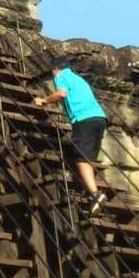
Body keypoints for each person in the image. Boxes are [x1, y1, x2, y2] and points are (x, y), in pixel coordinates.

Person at [33, 56, 108, 215]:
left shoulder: (61, 76)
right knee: (88, 158)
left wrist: (44, 101)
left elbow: (61, 94)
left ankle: (95, 194)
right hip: (99, 118)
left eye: (52, 72)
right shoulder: (79, 79)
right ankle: (89, 189)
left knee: (81, 158)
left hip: (83, 119)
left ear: (56, 69)